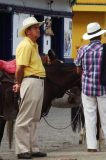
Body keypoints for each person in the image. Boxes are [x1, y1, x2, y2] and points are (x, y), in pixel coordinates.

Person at [75, 22, 106, 152]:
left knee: (89, 118)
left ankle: (91, 146)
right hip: (103, 88)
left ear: (89, 37)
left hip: (87, 89)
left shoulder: (82, 50)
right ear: (100, 36)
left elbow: (78, 70)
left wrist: (87, 74)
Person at [13, 17, 47, 159]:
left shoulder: (33, 45)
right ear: (28, 32)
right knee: (25, 117)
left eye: (38, 27)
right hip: (31, 81)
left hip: (37, 81)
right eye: (35, 28)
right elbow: (20, 68)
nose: (38, 30)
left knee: (34, 117)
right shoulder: (26, 45)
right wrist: (19, 83)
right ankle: (22, 150)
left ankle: (32, 148)